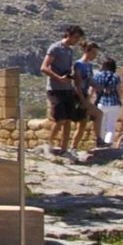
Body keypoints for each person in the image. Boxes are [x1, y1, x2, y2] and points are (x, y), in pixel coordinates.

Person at [40, 24, 86, 157]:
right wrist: (58, 78)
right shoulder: (55, 48)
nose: (77, 40)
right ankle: (49, 143)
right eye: (76, 37)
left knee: (68, 119)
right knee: (59, 119)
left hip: (67, 88)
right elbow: (44, 67)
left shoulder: (70, 51)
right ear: (69, 35)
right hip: (55, 88)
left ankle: (64, 149)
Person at [91, 57, 123, 152]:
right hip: (114, 104)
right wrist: (119, 100)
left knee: (101, 124)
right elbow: (119, 91)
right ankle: (108, 146)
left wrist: (90, 100)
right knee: (111, 126)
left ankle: (99, 144)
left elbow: (92, 90)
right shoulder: (116, 77)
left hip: (101, 103)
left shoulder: (97, 76)